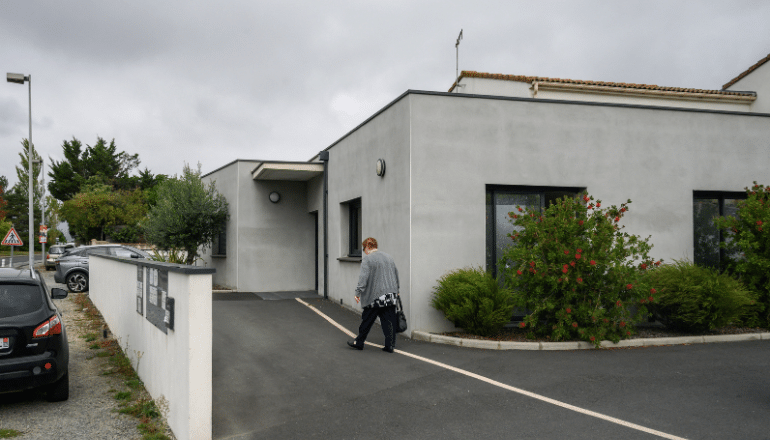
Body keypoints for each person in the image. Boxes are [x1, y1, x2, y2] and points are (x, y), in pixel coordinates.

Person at [347, 237, 400, 353]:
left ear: (367, 247)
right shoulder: (389, 257)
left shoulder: (368, 259)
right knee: (388, 321)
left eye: (363, 248)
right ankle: (390, 345)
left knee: (367, 320)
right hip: (390, 295)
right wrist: (397, 290)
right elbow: (395, 274)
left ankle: (359, 342)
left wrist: (358, 293)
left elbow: (363, 279)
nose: (364, 251)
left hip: (375, 297)